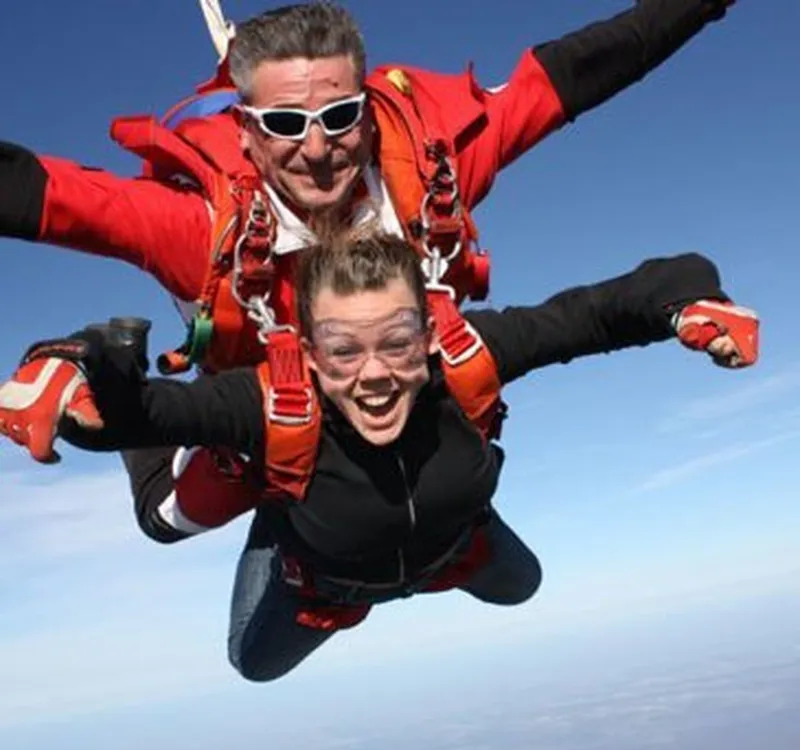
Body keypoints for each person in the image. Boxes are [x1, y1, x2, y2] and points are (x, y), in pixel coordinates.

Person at [0, 0, 739, 542]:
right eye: (286, 124)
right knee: (170, 520)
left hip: (386, 370)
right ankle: (89, 355)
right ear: (247, 134)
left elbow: (576, 73)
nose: (317, 148)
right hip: (265, 397)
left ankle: (436, 543)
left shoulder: (427, 160)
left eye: (340, 115)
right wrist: (91, 377)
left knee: (454, 409)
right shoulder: (202, 228)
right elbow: (47, 196)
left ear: (368, 109)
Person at [0, 233, 759, 681]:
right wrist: (76, 364)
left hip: (451, 545)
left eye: (397, 342)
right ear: (307, 350)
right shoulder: (270, 404)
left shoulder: (467, 358)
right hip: (324, 578)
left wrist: (688, 303)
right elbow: (132, 418)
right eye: (342, 349)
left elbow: (598, 309)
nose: (373, 374)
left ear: (428, 337)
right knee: (251, 661)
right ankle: (279, 513)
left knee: (521, 585)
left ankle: (427, 544)